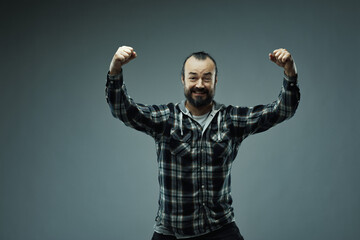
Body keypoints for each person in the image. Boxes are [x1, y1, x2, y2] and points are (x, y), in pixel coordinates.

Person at [105, 46, 300, 240]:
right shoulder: (166, 119)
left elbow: (281, 111)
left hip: (220, 228)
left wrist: (290, 74)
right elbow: (123, 110)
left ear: (215, 81)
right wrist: (115, 71)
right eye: (193, 77)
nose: (200, 84)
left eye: (207, 78)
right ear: (183, 79)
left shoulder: (230, 119)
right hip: (173, 232)